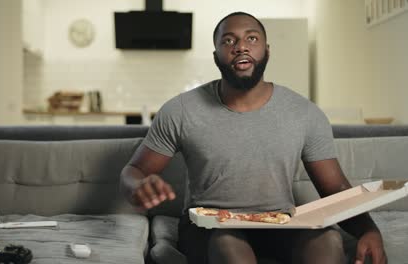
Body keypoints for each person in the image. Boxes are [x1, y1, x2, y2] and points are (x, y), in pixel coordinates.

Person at [120, 11, 387, 264]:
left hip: (278, 223)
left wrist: (368, 230)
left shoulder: (304, 112)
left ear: (266, 50)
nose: (240, 46)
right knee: (229, 246)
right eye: (229, 40)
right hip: (210, 228)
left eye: (252, 38)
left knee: (328, 240)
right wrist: (137, 187)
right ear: (216, 56)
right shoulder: (180, 110)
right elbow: (135, 170)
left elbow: (335, 188)